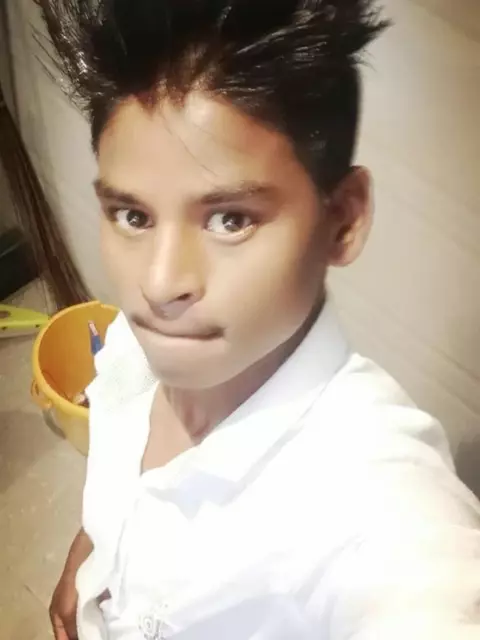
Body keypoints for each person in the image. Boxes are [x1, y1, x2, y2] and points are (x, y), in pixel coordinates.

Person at [39, 1, 480, 639]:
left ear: (343, 220)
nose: (159, 284)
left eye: (230, 220)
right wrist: (93, 556)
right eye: (133, 217)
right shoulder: (140, 346)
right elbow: (124, 474)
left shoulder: (382, 513)